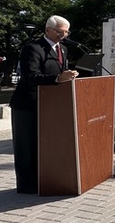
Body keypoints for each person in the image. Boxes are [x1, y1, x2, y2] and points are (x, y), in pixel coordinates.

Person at [9, 15, 79, 193]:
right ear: (48, 30)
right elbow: (30, 76)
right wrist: (57, 78)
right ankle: (27, 186)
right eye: (60, 32)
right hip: (28, 104)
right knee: (27, 146)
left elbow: (61, 73)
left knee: (45, 145)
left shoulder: (62, 49)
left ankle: (44, 180)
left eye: (66, 32)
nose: (63, 35)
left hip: (50, 105)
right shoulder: (32, 48)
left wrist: (68, 76)